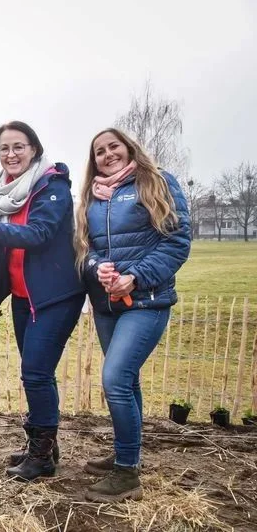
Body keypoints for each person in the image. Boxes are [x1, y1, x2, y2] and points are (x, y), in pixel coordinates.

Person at [75, 128, 190, 502]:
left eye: (114, 147)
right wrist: (98, 268)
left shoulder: (155, 182)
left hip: (147, 302)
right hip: (107, 305)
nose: (107, 154)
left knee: (114, 379)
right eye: (99, 151)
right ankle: (129, 454)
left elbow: (176, 241)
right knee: (128, 381)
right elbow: (86, 248)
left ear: (129, 148)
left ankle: (126, 474)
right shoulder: (92, 196)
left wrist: (135, 277)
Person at [0, 121, 84, 481]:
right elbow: (8, 256)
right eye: (4, 148)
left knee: (35, 372)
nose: (11, 154)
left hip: (54, 295)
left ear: (34, 149)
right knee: (38, 373)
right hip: (22, 297)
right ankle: (44, 444)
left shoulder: (52, 186)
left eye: (18, 146)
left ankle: (42, 456)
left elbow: (39, 234)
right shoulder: (6, 193)